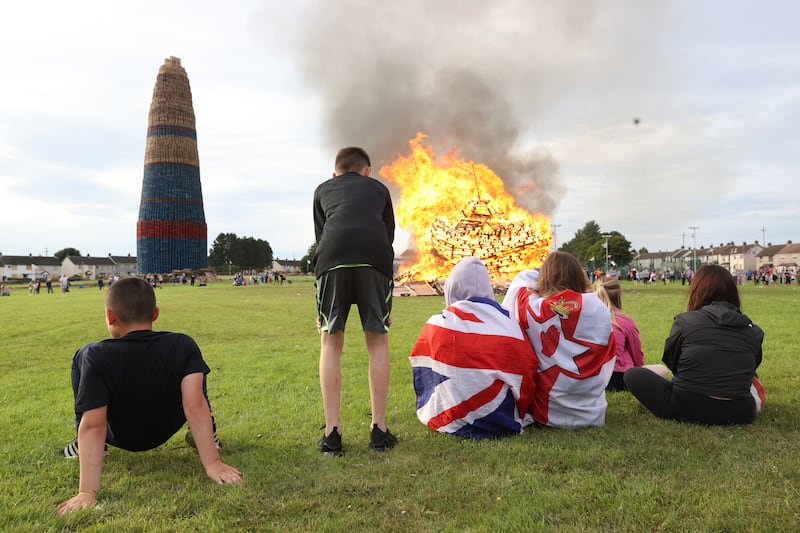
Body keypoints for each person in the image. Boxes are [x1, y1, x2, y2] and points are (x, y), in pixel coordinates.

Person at [56, 277, 242, 517]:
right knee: (190, 363)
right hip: (164, 428)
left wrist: (87, 492)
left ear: (110, 316)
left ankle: (93, 448)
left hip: (117, 434)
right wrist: (213, 464)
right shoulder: (182, 344)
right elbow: (195, 405)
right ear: (155, 313)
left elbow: (93, 424)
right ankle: (208, 435)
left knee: (82, 354)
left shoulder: (96, 355)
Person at [312, 146, 397, 455]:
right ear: (367, 171)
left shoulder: (323, 189)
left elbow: (321, 234)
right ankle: (378, 430)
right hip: (374, 259)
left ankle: (332, 432)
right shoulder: (379, 189)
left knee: (330, 341)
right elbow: (387, 234)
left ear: (335, 173)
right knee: (377, 342)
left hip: (332, 258)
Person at [409, 257, 537, 438]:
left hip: (454, 417)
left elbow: (424, 367)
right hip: (504, 416)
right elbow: (526, 367)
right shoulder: (510, 321)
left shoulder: (439, 323)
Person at [624, 264, 765, 425]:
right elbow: (752, 367)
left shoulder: (685, 321)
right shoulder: (754, 331)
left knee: (632, 375)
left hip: (687, 406)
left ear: (697, 290)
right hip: (741, 411)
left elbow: (673, 362)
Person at [507, 251, 616, 428]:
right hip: (591, 409)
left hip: (549, 410)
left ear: (546, 277)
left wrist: (540, 274)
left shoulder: (533, 307)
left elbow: (521, 281)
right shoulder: (598, 307)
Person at [593, 277, 645, 391]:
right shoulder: (624, 321)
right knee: (662, 370)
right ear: (618, 295)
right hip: (617, 377)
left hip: (593, 376)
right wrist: (640, 370)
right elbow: (636, 352)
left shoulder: (587, 318)